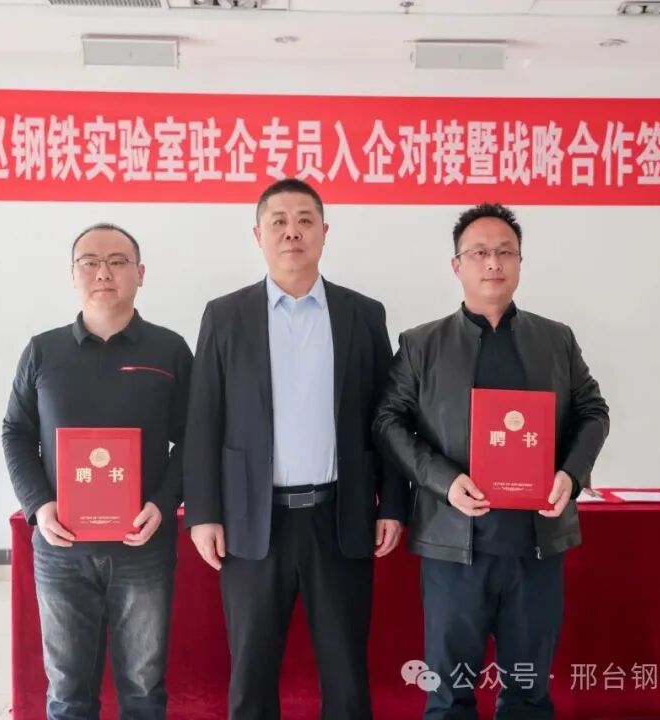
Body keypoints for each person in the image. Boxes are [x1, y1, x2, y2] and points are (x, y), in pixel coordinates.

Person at [372, 203, 610, 719]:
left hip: (536, 545)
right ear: (457, 265)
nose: (494, 263)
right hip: (453, 546)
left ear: (520, 262)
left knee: (527, 692)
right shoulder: (422, 344)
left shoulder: (555, 339)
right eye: (479, 252)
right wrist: (443, 480)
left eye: (505, 252)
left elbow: (593, 411)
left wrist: (571, 474)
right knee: (448, 696)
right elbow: (388, 422)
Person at [183, 178, 408, 720]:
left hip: (340, 516)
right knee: (251, 677)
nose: (292, 233)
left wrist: (394, 504)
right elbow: (203, 420)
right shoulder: (225, 316)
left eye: (305, 221)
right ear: (258, 235)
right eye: (279, 222)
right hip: (252, 523)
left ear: (324, 232)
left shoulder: (363, 314)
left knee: (346, 674)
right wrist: (204, 513)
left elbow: (388, 418)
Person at [3, 223, 192, 720]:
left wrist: (163, 504)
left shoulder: (170, 350)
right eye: (90, 262)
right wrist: (39, 506)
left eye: (117, 261)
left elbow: (193, 438)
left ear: (140, 273)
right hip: (61, 550)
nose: (103, 273)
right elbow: (15, 433)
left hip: (143, 547)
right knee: (68, 691)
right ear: (73, 274)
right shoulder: (43, 351)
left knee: (144, 687)